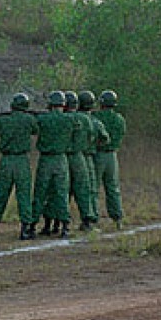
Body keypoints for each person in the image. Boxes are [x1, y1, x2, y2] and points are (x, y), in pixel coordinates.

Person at [0, 92, 38, 241]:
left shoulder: (3, 120)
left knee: (1, 194)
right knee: (24, 195)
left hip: (6, 161)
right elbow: (36, 130)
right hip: (22, 160)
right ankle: (25, 229)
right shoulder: (29, 119)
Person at [30, 90, 78, 239]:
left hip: (45, 160)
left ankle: (31, 226)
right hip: (61, 160)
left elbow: (34, 127)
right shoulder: (70, 119)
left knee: (40, 193)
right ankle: (65, 226)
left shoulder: (43, 119)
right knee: (61, 193)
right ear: (63, 105)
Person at [93, 90, 126, 229]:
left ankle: (92, 218)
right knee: (113, 187)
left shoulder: (96, 117)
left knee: (94, 188)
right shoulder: (119, 119)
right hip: (112, 156)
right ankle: (117, 218)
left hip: (98, 155)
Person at [63, 91, 96, 231]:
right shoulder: (85, 119)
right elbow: (92, 137)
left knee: (62, 190)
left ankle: (61, 222)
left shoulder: (62, 119)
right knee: (83, 189)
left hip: (63, 157)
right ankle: (87, 219)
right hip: (79, 157)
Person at [77, 90, 110, 227]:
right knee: (89, 188)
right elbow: (105, 139)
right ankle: (90, 218)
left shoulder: (74, 118)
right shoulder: (95, 122)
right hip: (88, 157)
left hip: (71, 157)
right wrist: (93, 144)